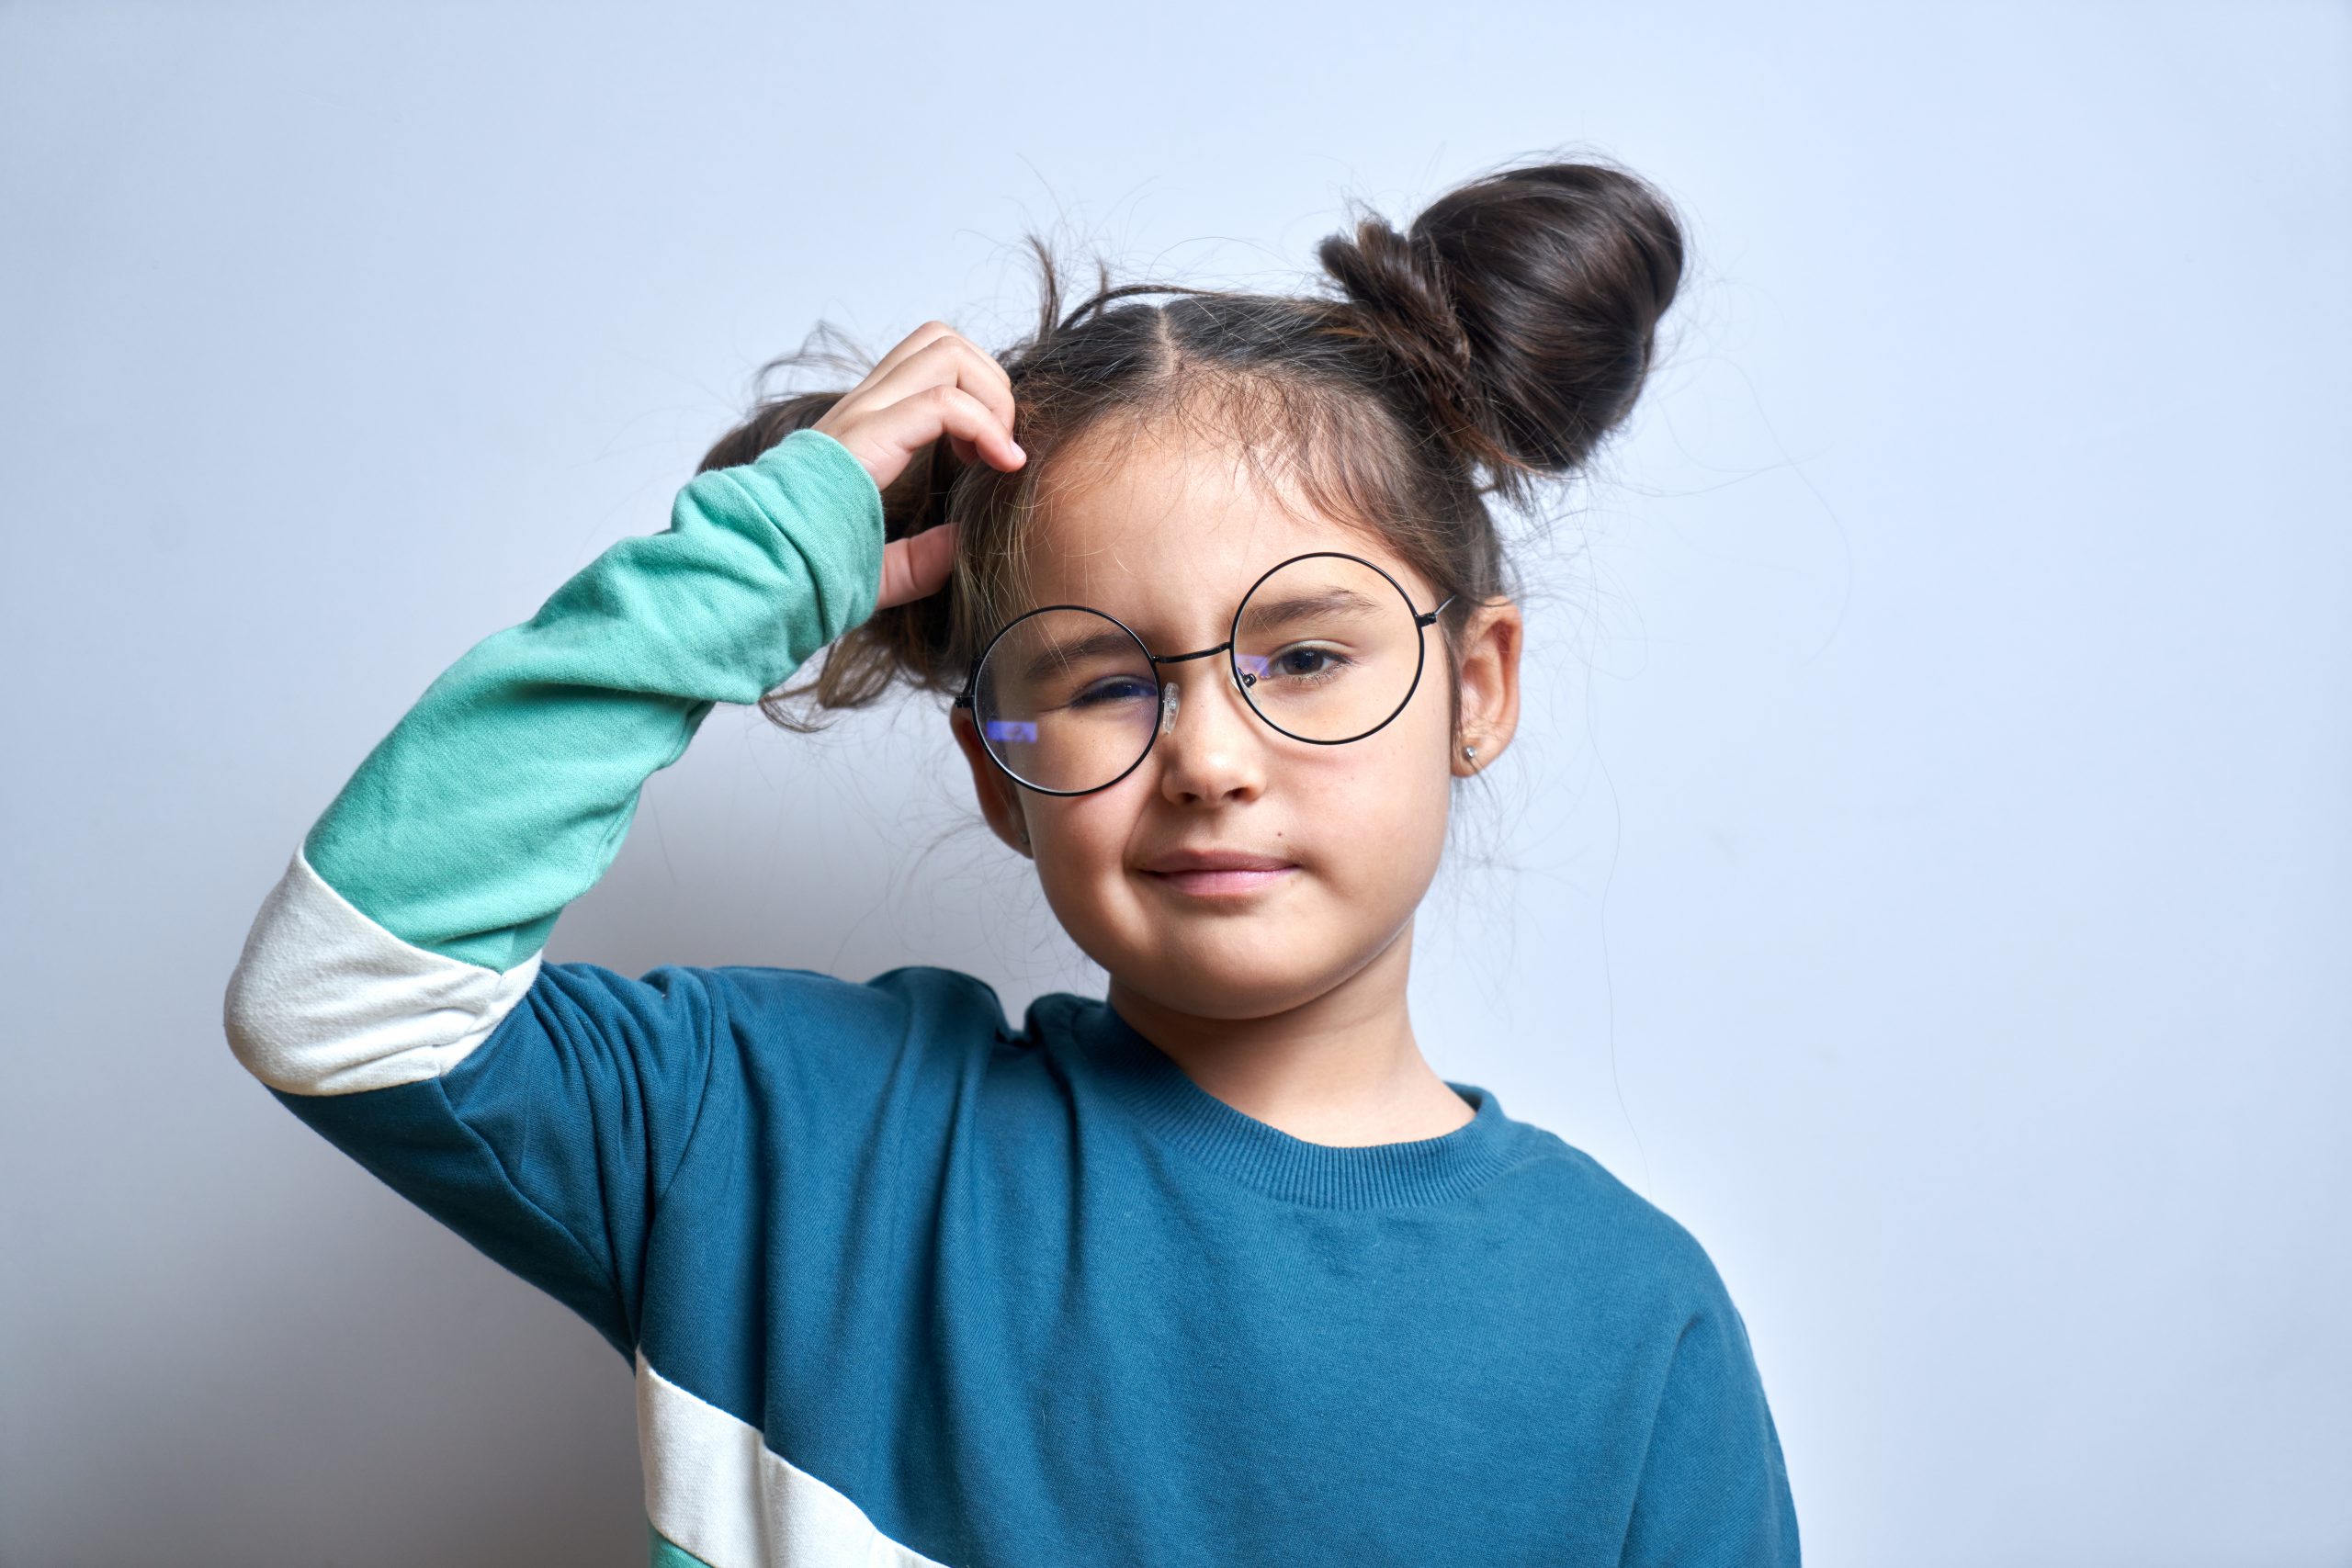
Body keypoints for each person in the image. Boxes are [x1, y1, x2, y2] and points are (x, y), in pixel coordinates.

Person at [222, 154, 1800, 1567]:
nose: (1208, 759)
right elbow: (344, 997)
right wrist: (762, 563)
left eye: (1305, 658)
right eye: (1106, 679)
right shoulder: (782, 1138)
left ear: (1478, 688)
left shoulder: (1631, 1324)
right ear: (997, 768)